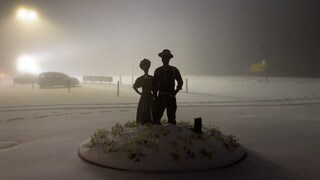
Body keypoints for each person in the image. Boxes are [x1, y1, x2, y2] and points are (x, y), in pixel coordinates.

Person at [153, 49, 183, 125]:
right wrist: (155, 97)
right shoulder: (158, 71)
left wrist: (174, 93)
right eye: (163, 57)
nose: (165, 59)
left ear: (169, 59)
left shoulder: (174, 70)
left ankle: (171, 134)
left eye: (167, 57)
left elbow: (180, 82)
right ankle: (157, 135)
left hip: (171, 97)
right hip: (160, 96)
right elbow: (154, 85)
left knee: (172, 119)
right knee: (156, 119)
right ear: (161, 59)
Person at [133, 59, 155, 125]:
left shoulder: (151, 78)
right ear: (143, 69)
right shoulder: (141, 78)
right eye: (145, 68)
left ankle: (150, 122)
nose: (146, 69)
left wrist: (154, 94)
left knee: (150, 109)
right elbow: (135, 87)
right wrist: (140, 93)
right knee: (143, 109)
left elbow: (156, 87)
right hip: (144, 96)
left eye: (147, 68)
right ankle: (143, 122)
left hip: (149, 96)